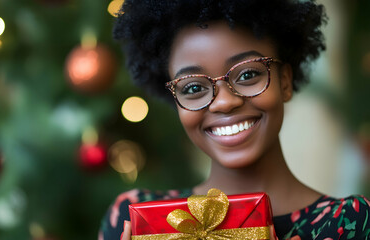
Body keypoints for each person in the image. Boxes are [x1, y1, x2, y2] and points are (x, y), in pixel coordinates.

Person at [100, 0, 370, 239]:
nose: (225, 102)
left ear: (284, 81)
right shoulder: (133, 219)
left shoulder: (352, 224)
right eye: (193, 88)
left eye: (248, 75)